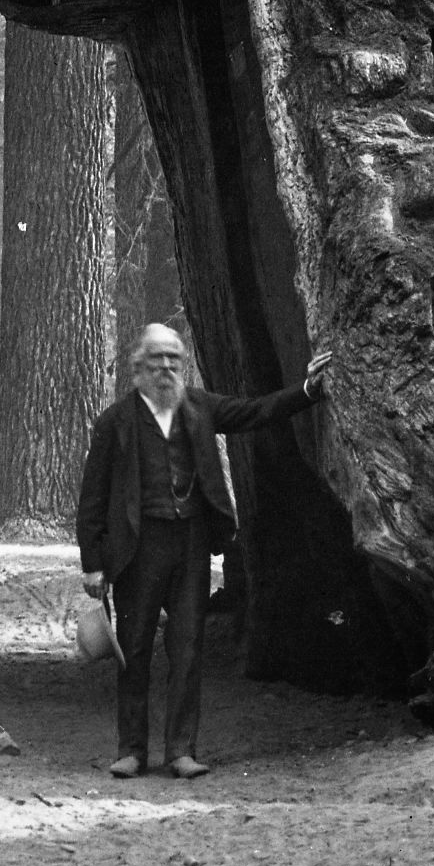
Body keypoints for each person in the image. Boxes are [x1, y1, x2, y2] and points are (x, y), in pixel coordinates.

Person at [75, 321, 331, 780]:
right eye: (157, 360)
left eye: (174, 359)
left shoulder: (200, 408)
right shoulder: (114, 423)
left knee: (188, 648)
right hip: (137, 552)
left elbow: (256, 412)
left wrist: (309, 390)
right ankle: (132, 750)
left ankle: (181, 752)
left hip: (191, 545)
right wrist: (92, 564)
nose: (167, 368)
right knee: (133, 649)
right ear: (138, 368)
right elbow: (92, 497)